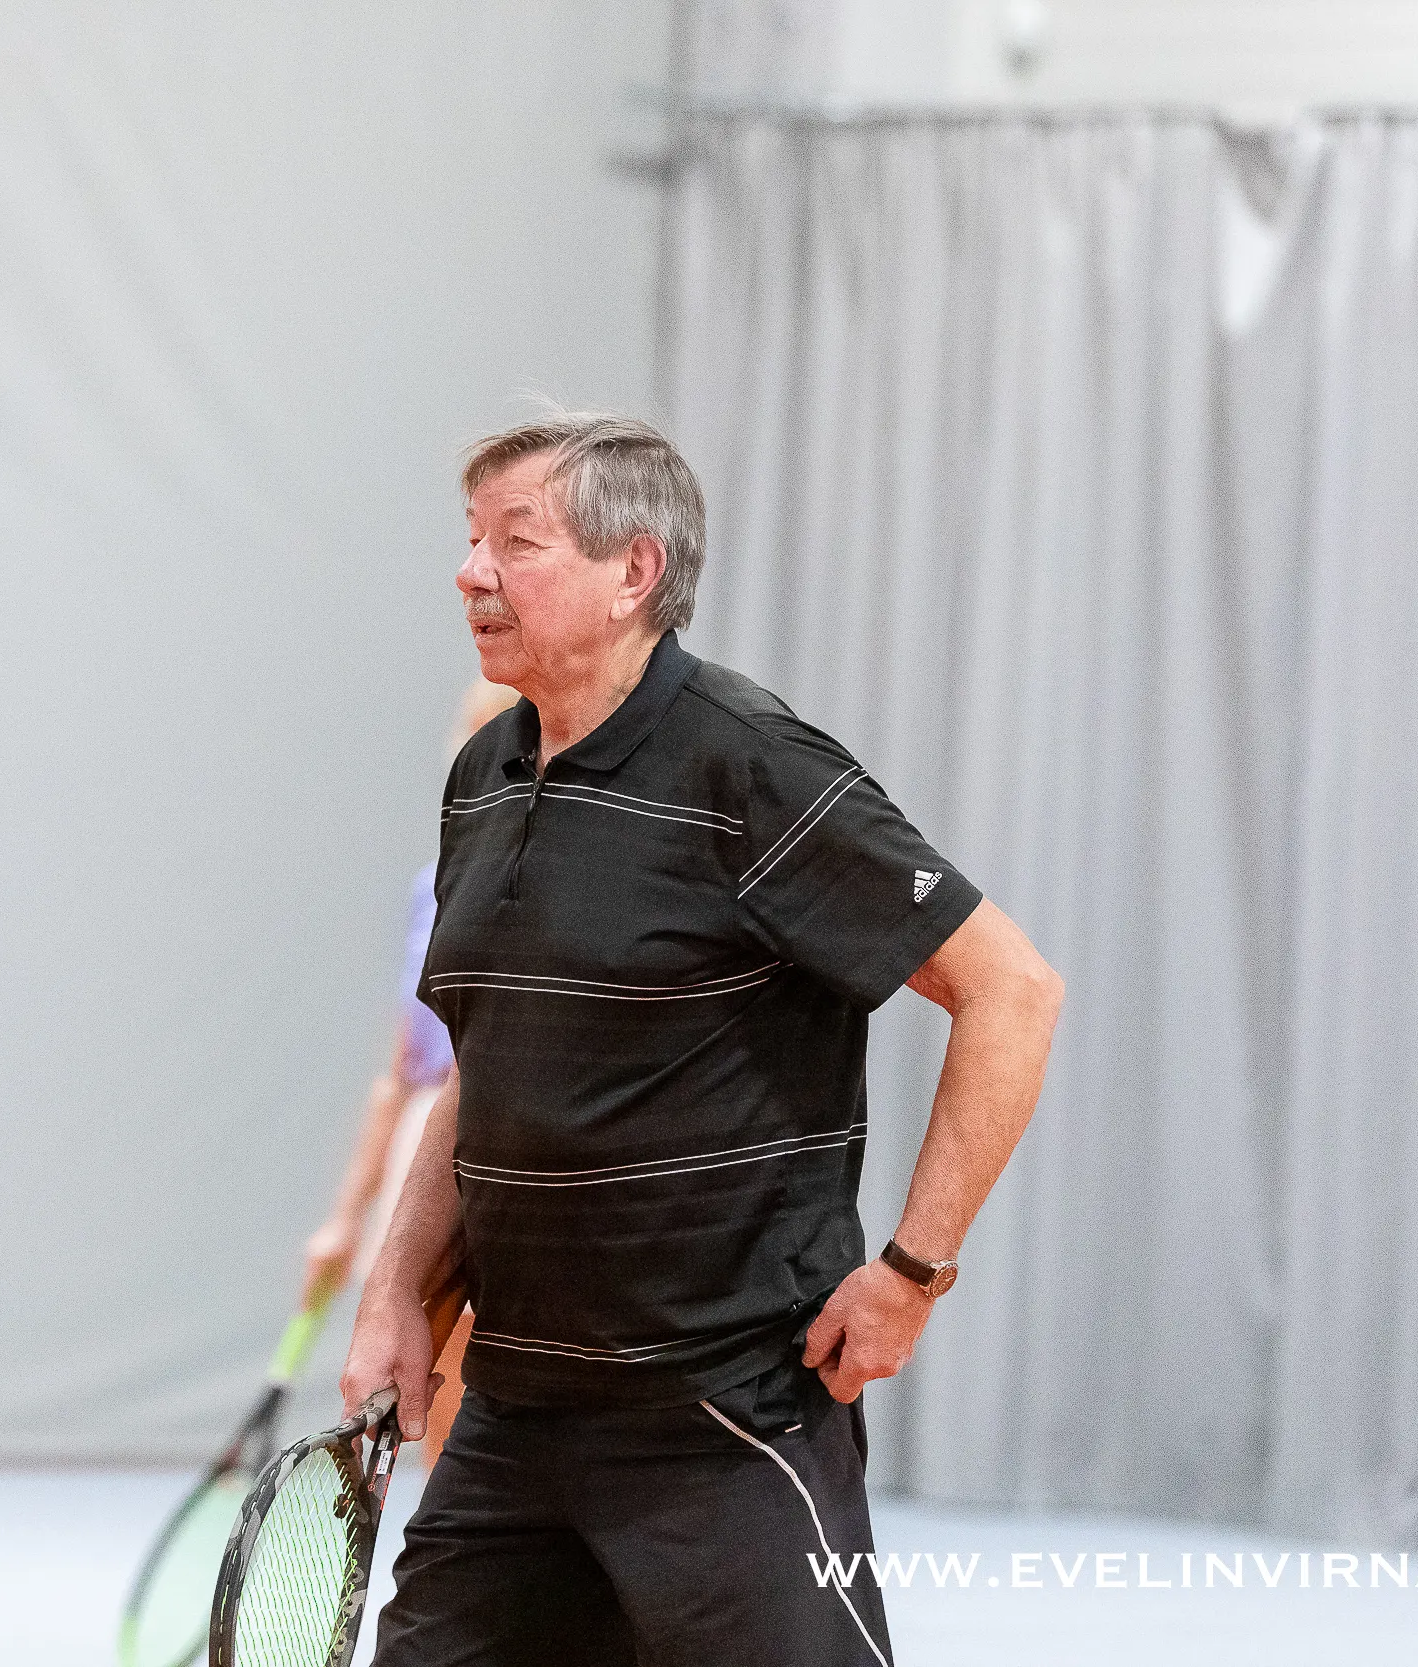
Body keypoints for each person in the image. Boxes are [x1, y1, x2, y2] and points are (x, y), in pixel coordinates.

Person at [342, 412, 1063, 1665]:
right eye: (469, 539)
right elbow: (487, 1063)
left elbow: (1012, 989)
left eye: (516, 541)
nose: (470, 572)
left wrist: (910, 1270)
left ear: (634, 570)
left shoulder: (752, 765)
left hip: (725, 1418)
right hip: (514, 1416)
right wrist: (400, 1285)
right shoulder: (484, 778)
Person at [300, 677, 516, 1465]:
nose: (480, 752)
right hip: (432, 1158)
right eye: (472, 732)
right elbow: (400, 1072)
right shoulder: (434, 890)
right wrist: (346, 1217)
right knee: (432, 1387)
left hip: (525, 1153)